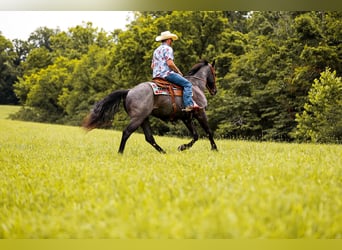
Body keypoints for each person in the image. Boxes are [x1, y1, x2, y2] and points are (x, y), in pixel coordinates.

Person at [151, 31, 200, 112]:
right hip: (167, 74)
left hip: (156, 76)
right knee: (187, 84)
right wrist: (178, 71)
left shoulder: (156, 51)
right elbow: (170, 63)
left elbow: (152, 66)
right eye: (172, 40)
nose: (172, 42)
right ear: (169, 40)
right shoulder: (168, 48)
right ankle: (189, 105)